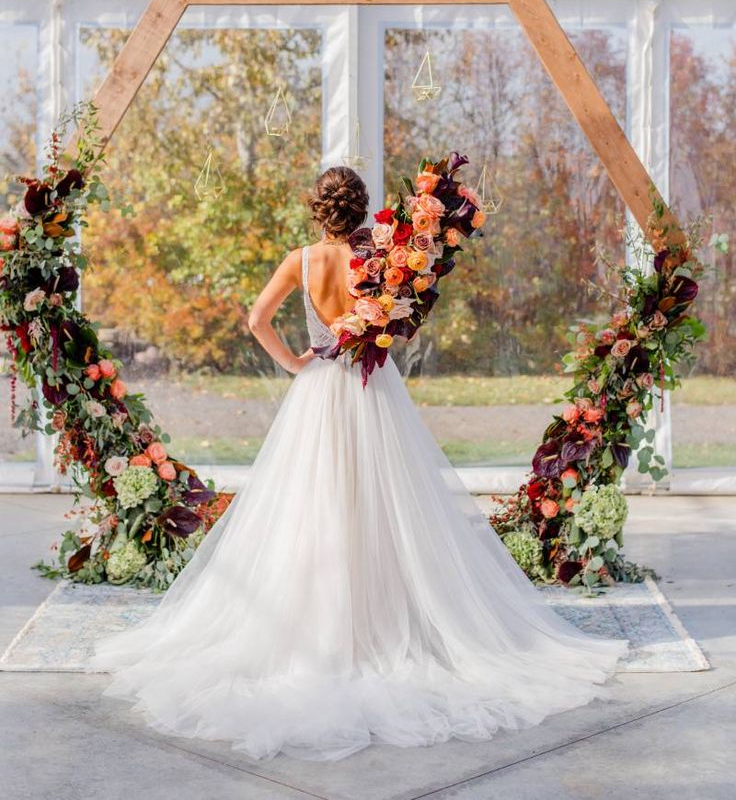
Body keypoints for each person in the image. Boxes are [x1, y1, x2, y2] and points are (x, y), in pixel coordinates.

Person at [88, 165, 627, 762]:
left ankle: (317, 623)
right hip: (372, 388)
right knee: (388, 501)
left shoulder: (301, 259)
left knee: (313, 505)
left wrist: (296, 363)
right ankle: (390, 614)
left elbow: (255, 319)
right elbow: (398, 325)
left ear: (318, 210)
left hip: (318, 387)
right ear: (363, 210)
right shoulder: (381, 256)